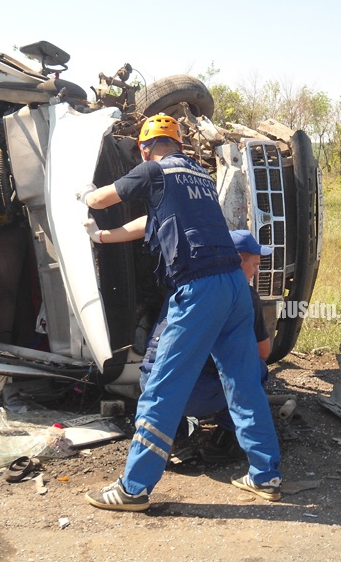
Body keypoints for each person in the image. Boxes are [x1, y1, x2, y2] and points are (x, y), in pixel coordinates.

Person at [77, 114, 282, 511]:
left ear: (144, 148)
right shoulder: (199, 177)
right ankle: (266, 475)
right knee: (242, 384)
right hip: (234, 288)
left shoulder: (154, 169)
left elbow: (104, 200)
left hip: (199, 289)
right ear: (181, 145)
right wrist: (103, 237)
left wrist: (86, 195)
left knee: (161, 388)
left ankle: (133, 489)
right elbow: (148, 221)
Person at [139, 229, 273, 462]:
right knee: (257, 370)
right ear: (239, 260)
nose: (256, 272)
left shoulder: (184, 284)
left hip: (148, 384)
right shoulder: (243, 293)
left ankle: (173, 434)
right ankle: (226, 439)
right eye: (255, 265)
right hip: (193, 396)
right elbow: (263, 352)